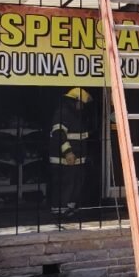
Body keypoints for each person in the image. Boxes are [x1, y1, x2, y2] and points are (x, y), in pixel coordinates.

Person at [49, 87, 94, 217]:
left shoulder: (76, 115)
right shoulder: (62, 113)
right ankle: (59, 210)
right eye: (82, 103)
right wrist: (68, 152)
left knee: (75, 184)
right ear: (75, 101)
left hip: (77, 159)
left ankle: (69, 208)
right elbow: (59, 134)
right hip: (63, 160)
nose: (83, 107)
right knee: (64, 185)